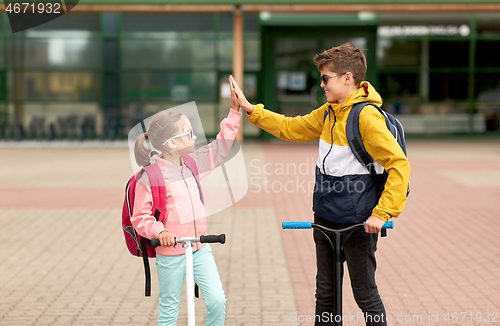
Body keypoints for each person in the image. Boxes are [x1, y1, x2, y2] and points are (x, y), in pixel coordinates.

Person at [230, 43, 411, 326]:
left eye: (326, 78)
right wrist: (252, 110)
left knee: (364, 294)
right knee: (325, 294)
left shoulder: (366, 117)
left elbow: (399, 165)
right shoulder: (329, 112)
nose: (322, 83)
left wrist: (382, 213)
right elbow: (291, 127)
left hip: (359, 222)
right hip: (325, 217)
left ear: (347, 78)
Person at [131, 78, 242, 326]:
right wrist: (161, 231)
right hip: (170, 252)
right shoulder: (150, 177)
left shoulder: (192, 164)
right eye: (189, 133)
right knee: (170, 309)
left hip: (200, 248)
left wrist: (234, 112)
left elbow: (221, 148)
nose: (195, 137)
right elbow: (140, 217)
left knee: (217, 300)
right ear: (172, 143)